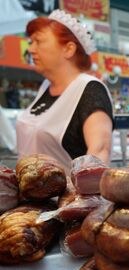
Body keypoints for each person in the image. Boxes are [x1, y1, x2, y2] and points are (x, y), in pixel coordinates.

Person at [17, 10, 113, 172]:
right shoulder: (45, 88)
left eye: (38, 41)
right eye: (31, 42)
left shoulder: (90, 90)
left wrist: (84, 190)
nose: (31, 49)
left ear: (68, 49)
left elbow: (99, 151)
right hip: (29, 192)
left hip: (67, 195)